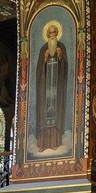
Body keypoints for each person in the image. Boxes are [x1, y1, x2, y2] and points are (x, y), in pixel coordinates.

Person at [33, 21, 68, 152]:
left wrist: (60, 57)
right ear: (47, 35)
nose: (52, 35)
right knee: (44, 114)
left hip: (56, 87)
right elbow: (38, 71)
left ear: (57, 34)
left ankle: (55, 143)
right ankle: (43, 144)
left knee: (55, 114)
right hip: (46, 87)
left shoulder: (61, 47)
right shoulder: (43, 49)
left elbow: (64, 67)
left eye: (54, 33)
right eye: (50, 33)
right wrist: (44, 58)